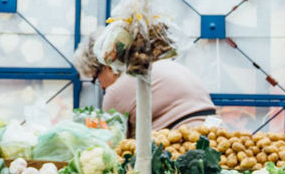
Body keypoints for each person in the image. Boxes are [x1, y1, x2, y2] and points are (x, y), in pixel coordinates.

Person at [73, 30, 216, 134]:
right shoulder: (162, 65)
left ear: (108, 67)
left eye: (95, 78)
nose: (101, 85)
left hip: (181, 141)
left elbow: (114, 143)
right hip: (216, 130)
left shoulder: (116, 92)